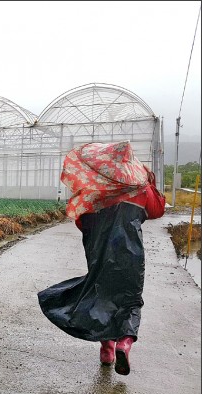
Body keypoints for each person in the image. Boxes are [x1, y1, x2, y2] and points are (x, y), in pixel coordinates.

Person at [38, 140, 166, 376]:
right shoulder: (140, 188)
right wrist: (150, 183)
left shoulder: (95, 189)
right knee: (130, 297)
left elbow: (81, 220)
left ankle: (106, 349)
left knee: (102, 293)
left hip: (98, 253)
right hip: (131, 254)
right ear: (129, 164)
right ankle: (124, 342)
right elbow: (158, 209)